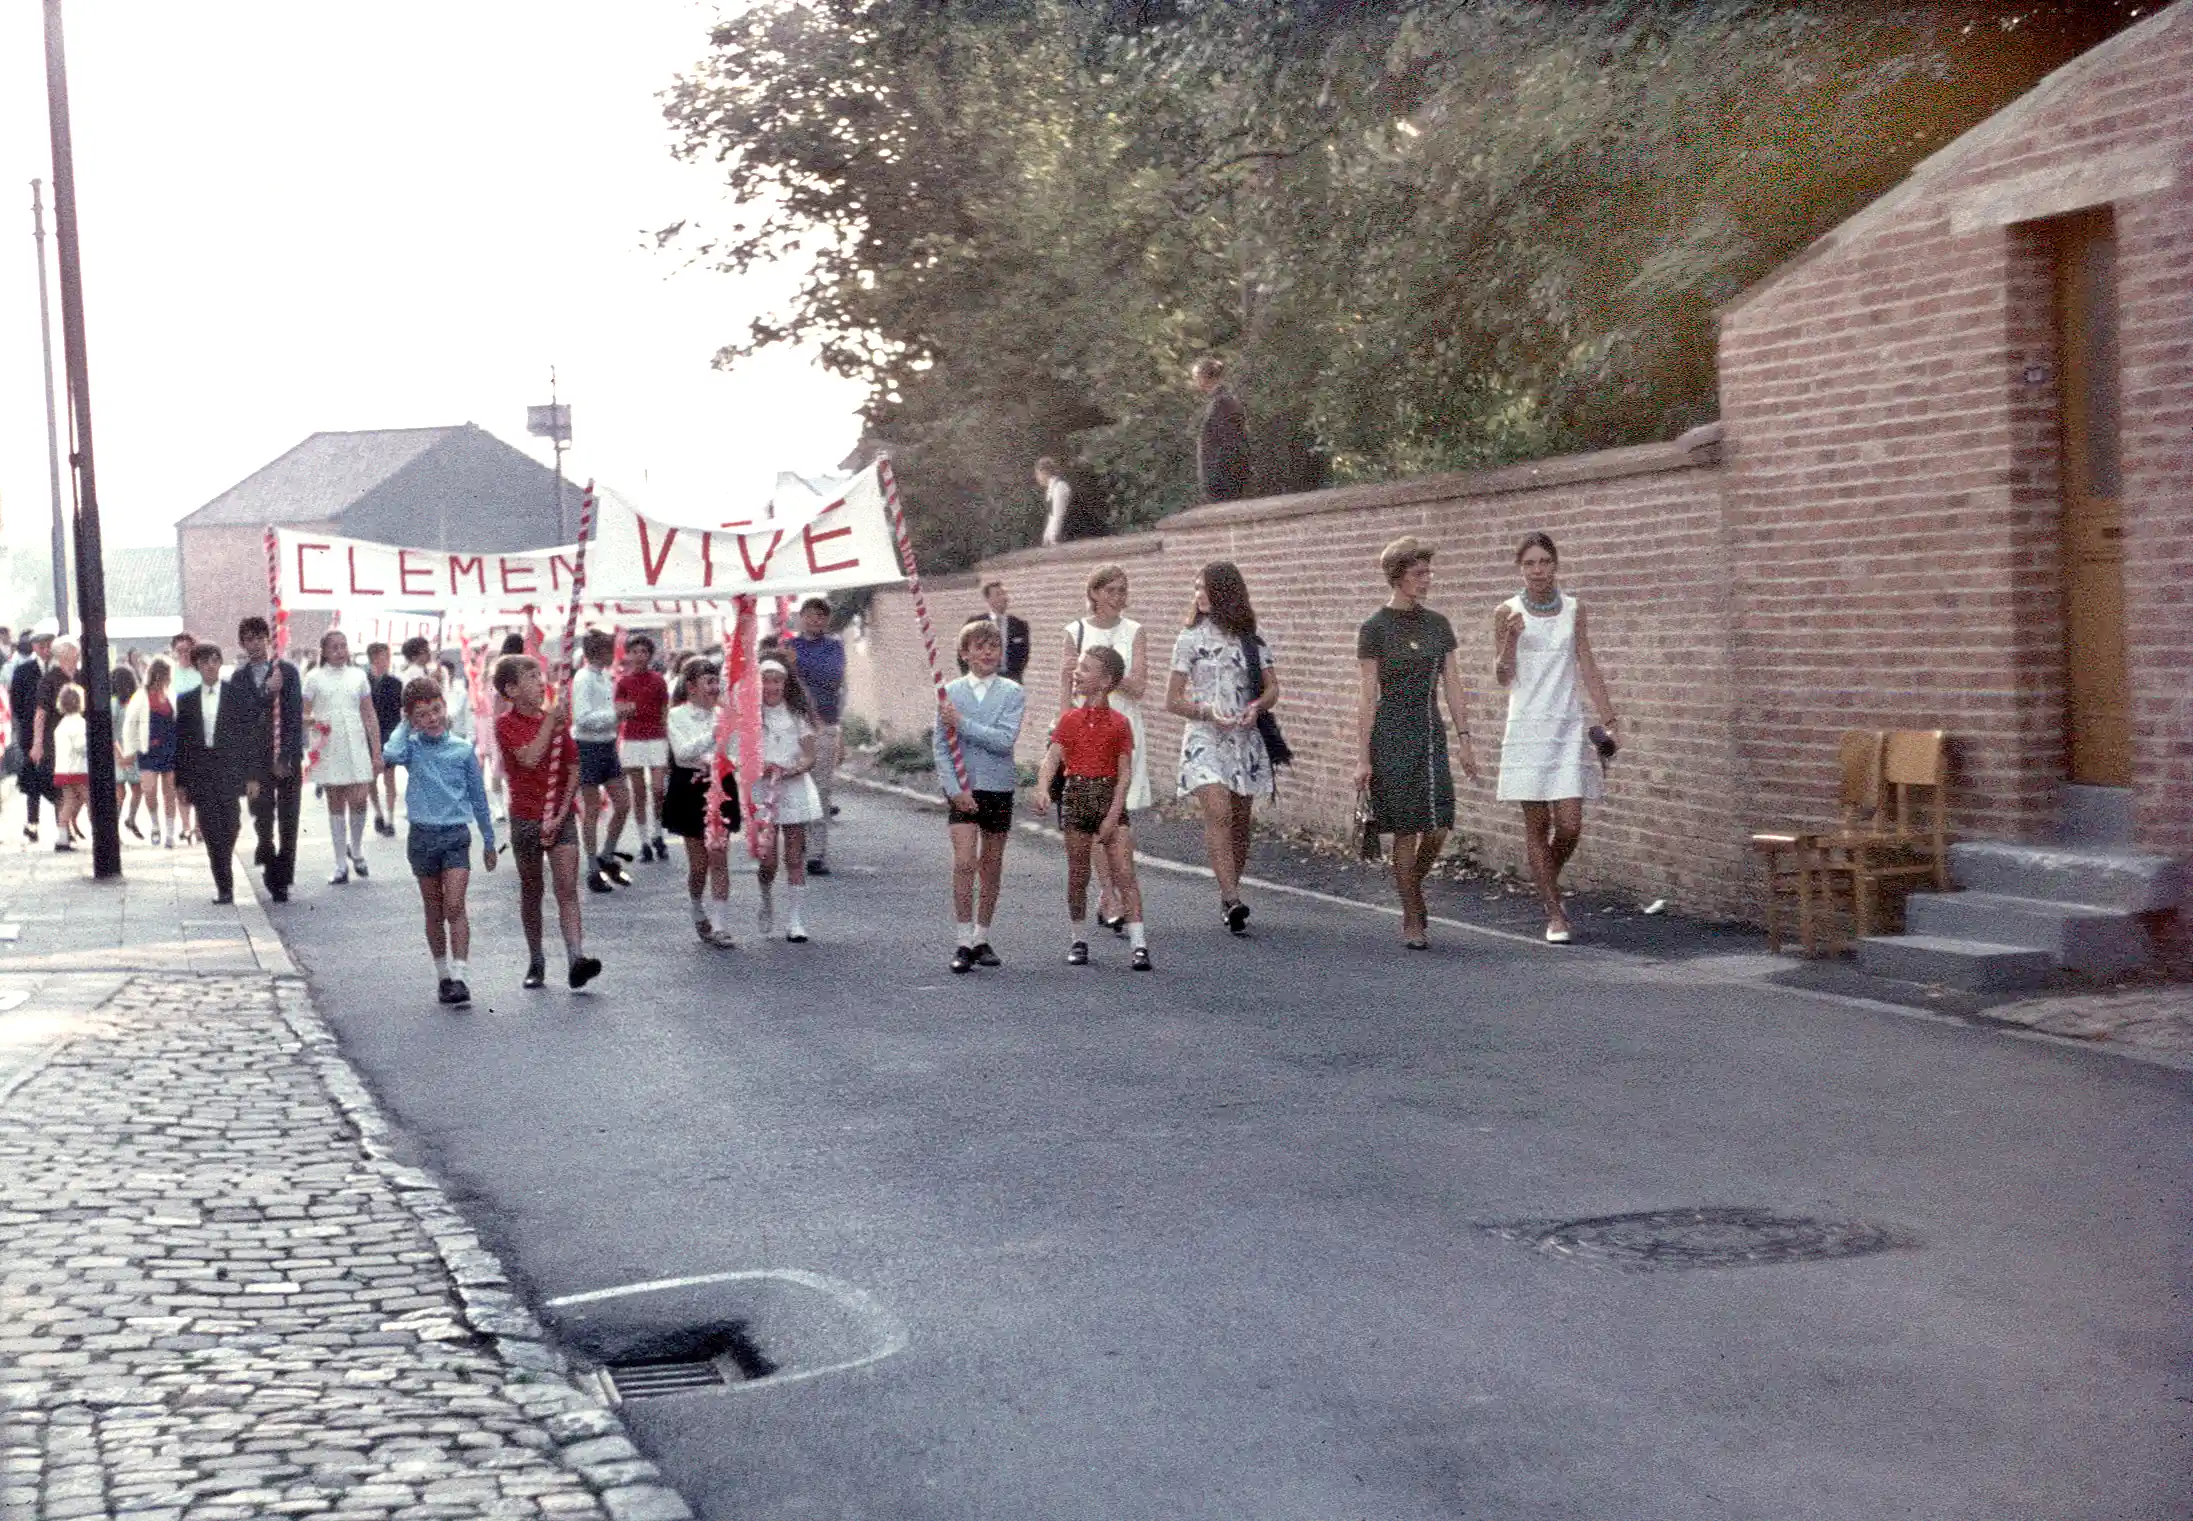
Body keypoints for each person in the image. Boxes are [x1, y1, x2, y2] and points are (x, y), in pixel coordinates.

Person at [1493, 531, 1620, 945]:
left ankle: (1544, 878)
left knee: (1569, 825)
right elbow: (1502, 677)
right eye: (1529, 563)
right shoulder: (1506, 611)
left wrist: (1610, 718)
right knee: (1538, 824)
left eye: (1544, 562)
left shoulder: (1575, 608)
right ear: (1520, 568)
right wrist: (1511, 638)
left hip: (1566, 725)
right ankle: (1554, 912)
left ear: (1556, 564)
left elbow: (1587, 663)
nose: (1537, 570)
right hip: (1527, 726)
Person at [1355, 537, 1483, 950]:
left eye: (1429, 572)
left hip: (1429, 733)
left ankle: (1411, 887)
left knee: (1440, 825)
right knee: (1406, 830)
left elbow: (1453, 685)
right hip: (1391, 734)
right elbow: (1367, 696)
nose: (1426, 580)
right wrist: (1362, 758)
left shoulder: (1438, 625)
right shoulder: (1374, 628)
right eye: (1418, 573)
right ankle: (1412, 916)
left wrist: (1465, 739)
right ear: (1397, 577)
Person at [1165, 561, 1277, 935]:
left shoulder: (1253, 639)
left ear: (1225, 592)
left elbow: (1272, 688)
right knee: (1219, 811)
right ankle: (1231, 897)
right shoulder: (1189, 639)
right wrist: (1205, 712)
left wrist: (1256, 707)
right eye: (1196, 588)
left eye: (1205, 588)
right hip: (1204, 736)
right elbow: (1172, 699)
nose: (1198, 594)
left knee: (1240, 820)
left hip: (1244, 737)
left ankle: (1230, 893)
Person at [383, 676, 498, 1006]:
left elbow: (478, 798)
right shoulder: (412, 748)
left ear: (445, 707)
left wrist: (489, 840)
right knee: (433, 909)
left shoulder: (462, 749)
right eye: (421, 715)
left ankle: (460, 976)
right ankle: (443, 975)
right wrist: (405, 725)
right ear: (412, 719)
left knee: (454, 905)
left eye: (436, 710)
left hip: (455, 836)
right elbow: (390, 752)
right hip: (422, 837)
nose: (431, 719)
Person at [1034, 645, 1151, 971]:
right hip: (1076, 799)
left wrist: (1113, 815)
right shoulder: (1069, 720)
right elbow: (1052, 759)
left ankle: (1139, 944)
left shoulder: (1119, 723)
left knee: (1125, 873)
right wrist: (1042, 787)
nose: (1077, 673)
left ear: (1105, 681)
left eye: (1085, 669)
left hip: (1108, 799)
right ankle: (1078, 939)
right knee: (1078, 875)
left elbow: (1124, 776)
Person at [492, 653, 602, 989]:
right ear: (511, 690)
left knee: (567, 887)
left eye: (540, 676)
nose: (541, 683)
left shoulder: (555, 722)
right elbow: (529, 757)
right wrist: (550, 722)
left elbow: (573, 768)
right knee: (532, 890)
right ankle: (536, 959)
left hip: (559, 816)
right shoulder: (505, 724)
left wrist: (561, 811)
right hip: (526, 818)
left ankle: (576, 958)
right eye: (531, 678)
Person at [1059, 564, 1151, 934]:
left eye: (1122, 590)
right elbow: (1066, 688)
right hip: (1086, 729)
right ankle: (1109, 894)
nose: (1117, 597)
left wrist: (1108, 673)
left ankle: (1119, 889)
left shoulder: (1134, 631)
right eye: (1110, 590)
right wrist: (1063, 735)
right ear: (1094, 593)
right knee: (1093, 808)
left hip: (1122, 725)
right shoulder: (1075, 631)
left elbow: (1139, 687)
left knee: (1119, 812)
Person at [935, 619, 1025, 973]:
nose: (988, 652)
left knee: (991, 863)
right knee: (964, 863)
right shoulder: (950, 693)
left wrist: (962, 723)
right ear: (965, 653)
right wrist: (955, 789)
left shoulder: (1012, 692)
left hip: (998, 786)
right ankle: (962, 940)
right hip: (964, 788)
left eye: (994, 646)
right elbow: (941, 746)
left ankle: (981, 937)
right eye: (979, 646)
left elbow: (1004, 741)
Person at [662, 657, 741, 949]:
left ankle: (720, 925)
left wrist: (724, 757)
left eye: (716, 680)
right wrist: (712, 736)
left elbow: (736, 753)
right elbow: (682, 753)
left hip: (721, 786)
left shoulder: (724, 715)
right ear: (691, 686)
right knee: (699, 864)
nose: (714, 686)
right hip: (689, 788)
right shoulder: (677, 716)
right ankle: (697, 908)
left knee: (719, 856)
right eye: (708, 681)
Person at [303, 630, 383, 885]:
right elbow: (303, 713)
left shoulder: (358, 676)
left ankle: (356, 850)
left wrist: (377, 750)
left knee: (360, 798)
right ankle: (340, 864)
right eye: (334, 647)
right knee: (335, 801)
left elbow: (369, 714)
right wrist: (315, 722)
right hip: (328, 744)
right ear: (324, 652)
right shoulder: (314, 678)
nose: (340, 651)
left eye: (343, 646)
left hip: (355, 742)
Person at [174, 643, 251, 904]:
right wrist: (181, 783)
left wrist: (250, 774)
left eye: (215, 660)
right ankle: (224, 885)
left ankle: (223, 858)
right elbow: (182, 744)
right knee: (209, 827)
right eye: (205, 661)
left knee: (232, 822)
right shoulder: (187, 700)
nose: (210, 665)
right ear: (197, 666)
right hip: (201, 769)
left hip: (228, 767)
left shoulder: (235, 695)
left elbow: (246, 737)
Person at [752, 656, 822, 943]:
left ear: (785, 683)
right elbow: (740, 754)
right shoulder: (750, 716)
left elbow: (809, 754)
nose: (771, 687)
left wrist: (796, 768)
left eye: (777, 681)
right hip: (763, 791)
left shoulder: (796, 715)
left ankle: (795, 920)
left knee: (794, 855)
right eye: (766, 681)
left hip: (793, 788)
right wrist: (760, 768)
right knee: (768, 860)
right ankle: (766, 896)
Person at [236, 617, 304, 903]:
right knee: (262, 814)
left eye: (258, 638)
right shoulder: (239, 679)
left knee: (289, 819)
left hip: (285, 757)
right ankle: (266, 850)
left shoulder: (286, 671)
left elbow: (294, 717)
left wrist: (285, 756)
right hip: (256, 759)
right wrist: (267, 691)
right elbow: (243, 717)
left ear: (268, 639)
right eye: (248, 639)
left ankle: (282, 879)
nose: (254, 644)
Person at [570, 629, 632, 892]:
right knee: (592, 809)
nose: (613, 655)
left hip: (606, 745)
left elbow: (603, 713)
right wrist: (614, 715)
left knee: (623, 803)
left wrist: (617, 716)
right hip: (587, 746)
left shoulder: (605, 677)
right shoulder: (583, 678)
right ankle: (593, 867)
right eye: (610, 650)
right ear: (598, 652)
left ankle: (607, 854)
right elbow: (582, 718)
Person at [785, 598, 844, 874]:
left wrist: (799, 665)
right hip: (795, 725)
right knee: (794, 784)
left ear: (826, 620)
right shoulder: (789, 646)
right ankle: (799, 842)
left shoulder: (834, 646)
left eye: (820, 616)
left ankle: (817, 853)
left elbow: (832, 676)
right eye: (809, 615)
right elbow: (785, 681)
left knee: (820, 787)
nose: (815, 620)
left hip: (824, 723)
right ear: (801, 617)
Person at [616, 633, 672, 863]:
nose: (639, 656)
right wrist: (623, 711)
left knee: (658, 790)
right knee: (638, 792)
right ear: (628, 655)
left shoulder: (658, 680)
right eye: (635, 652)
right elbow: (619, 712)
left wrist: (668, 739)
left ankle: (658, 834)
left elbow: (665, 710)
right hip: (632, 739)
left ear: (650, 655)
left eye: (644, 652)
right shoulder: (623, 682)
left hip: (656, 737)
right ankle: (644, 842)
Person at [31, 636, 86, 845]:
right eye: (74, 651)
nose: (78, 655)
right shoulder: (49, 680)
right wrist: (37, 743)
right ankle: (64, 831)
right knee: (65, 789)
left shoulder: (82, 676)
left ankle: (69, 826)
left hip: (81, 736)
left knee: (78, 790)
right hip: (58, 740)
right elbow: (41, 713)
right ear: (64, 655)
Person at [126, 657, 180, 847]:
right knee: (149, 790)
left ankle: (170, 833)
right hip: (148, 748)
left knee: (170, 792)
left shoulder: (171, 694)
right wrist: (130, 749)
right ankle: (155, 824)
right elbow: (130, 724)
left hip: (170, 746)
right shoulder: (141, 696)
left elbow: (177, 719)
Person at [10, 626, 54, 842]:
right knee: (32, 779)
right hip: (30, 732)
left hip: (54, 731)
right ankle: (32, 822)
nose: (46, 650)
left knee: (56, 777)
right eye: (41, 646)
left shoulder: (58, 669)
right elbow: (16, 702)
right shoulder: (23, 670)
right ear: (35, 647)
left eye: (49, 646)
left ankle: (63, 822)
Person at [1191, 356, 1252, 504]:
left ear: (1203, 378)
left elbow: (1228, 441)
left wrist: (1217, 475)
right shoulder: (1223, 400)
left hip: (1223, 476)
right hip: (1224, 473)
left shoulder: (1222, 402)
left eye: (1196, 378)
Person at [366, 642, 404, 836]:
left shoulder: (395, 683)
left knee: (390, 779)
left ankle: (390, 819)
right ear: (374, 659)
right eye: (384, 656)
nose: (388, 660)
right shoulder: (364, 682)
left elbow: (401, 711)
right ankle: (378, 813)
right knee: (370, 779)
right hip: (368, 737)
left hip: (389, 736)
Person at [167, 631, 200, 845]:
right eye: (179, 651)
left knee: (200, 782)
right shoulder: (171, 675)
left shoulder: (200, 672)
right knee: (181, 784)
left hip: (199, 733)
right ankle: (186, 826)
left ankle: (199, 826)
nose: (184, 654)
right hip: (177, 733)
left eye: (187, 650)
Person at [49, 685, 88, 853]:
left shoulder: (61, 725)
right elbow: (81, 746)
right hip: (78, 769)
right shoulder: (80, 723)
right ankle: (101, 834)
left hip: (63, 770)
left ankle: (62, 838)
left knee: (68, 802)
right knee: (90, 800)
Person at [109, 666, 144, 839]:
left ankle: (125, 822)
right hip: (126, 751)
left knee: (123, 791)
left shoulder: (115, 703)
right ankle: (127, 820)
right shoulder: (131, 703)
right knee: (134, 789)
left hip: (122, 751)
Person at [1036, 458, 1072, 548]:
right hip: (1058, 537)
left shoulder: (1059, 487)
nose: (1037, 478)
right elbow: (1051, 516)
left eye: (1038, 474)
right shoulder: (1051, 488)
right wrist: (1046, 537)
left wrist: (1053, 537)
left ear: (1045, 472)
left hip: (1068, 535)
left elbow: (1058, 514)